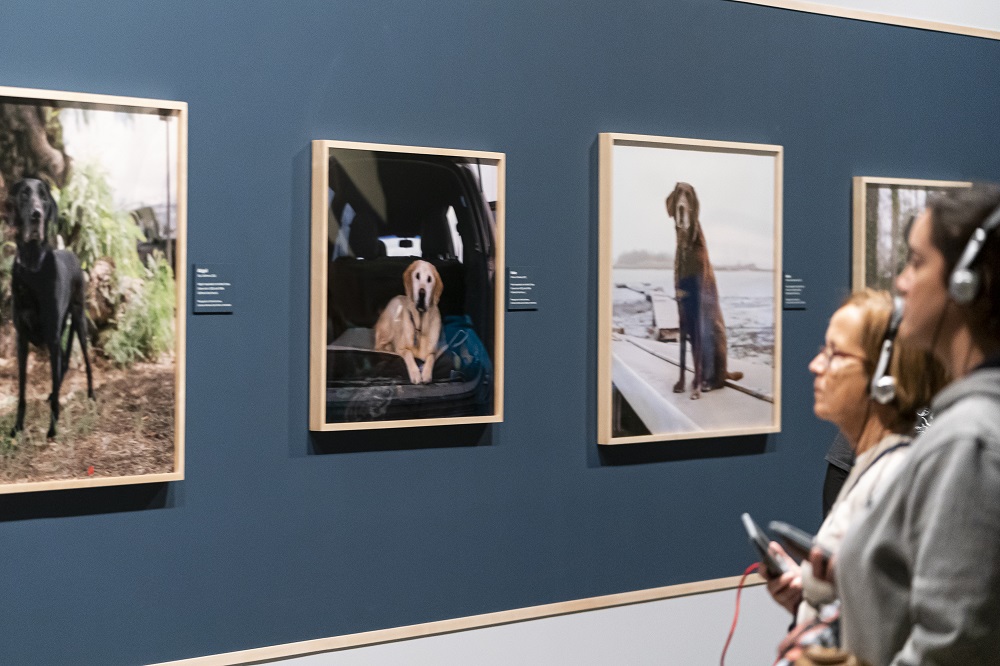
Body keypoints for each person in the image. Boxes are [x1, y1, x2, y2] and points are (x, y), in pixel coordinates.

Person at [834, 184, 1000, 665]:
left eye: (915, 262)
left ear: (965, 282)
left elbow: (951, 644)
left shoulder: (966, 440)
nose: (901, 281)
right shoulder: (958, 424)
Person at [762, 290, 946, 627]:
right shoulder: (866, 468)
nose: (815, 365)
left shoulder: (900, 480)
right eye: (822, 351)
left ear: (884, 378)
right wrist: (806, 604)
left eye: (835, 354)